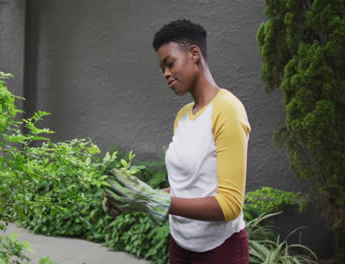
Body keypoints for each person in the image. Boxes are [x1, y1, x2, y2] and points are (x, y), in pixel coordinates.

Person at [103, 19, 250, 264]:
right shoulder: (182, 117)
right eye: (162, 68)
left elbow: (230, 204)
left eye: (169, 64)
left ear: (194, 54)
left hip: (220, 251)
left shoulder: (227, 109)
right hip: (180, 246)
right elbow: (188, 189)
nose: (166, 74)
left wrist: (155, 200)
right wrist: (136, 198)